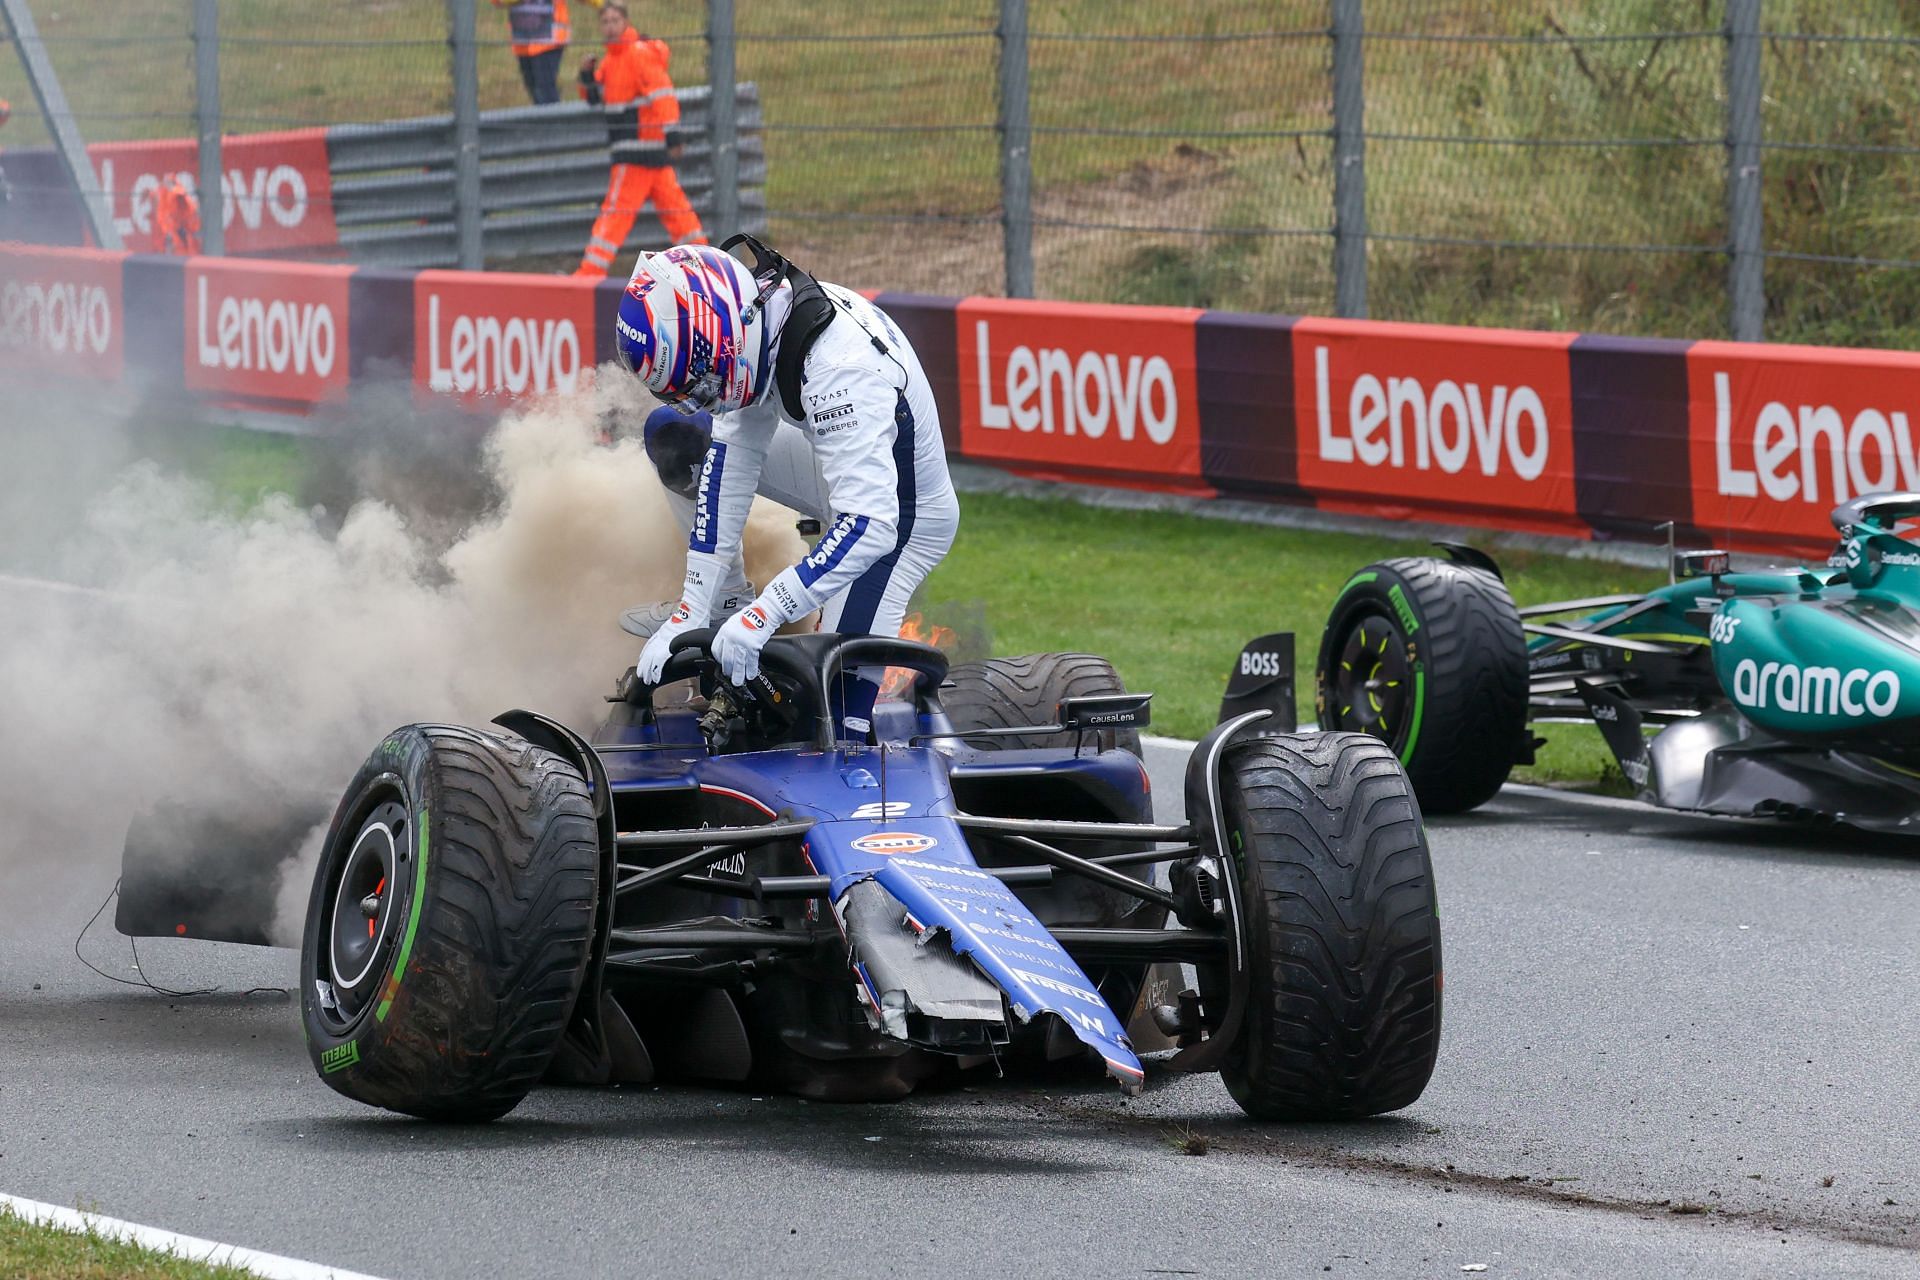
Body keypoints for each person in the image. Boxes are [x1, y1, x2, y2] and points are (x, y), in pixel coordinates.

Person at [623, 237, 960, 739]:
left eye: (705, 384)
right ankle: (728, 602)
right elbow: (728, 461)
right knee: (676, 435)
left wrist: (765, 616)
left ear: (726, 337)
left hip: (900, 519)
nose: (706, 400)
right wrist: (694, 609)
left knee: (833, 724)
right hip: (838, 468)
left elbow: (870, 525)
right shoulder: (756, 321)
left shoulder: (841, 372)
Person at [573, 1, 705, 279]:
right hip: (648, 155)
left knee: (614, 216)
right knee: (679, 214)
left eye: (614, 21)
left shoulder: (637, 54)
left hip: (636, 154)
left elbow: (662, 94)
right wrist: (586, 75)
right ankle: (705, 270)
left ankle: (588, 277)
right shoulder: (611, 62)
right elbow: (594, 97)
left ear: (625, 22)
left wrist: (672, 134)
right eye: (605, 21)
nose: (609, 27)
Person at [490, 0, 585, 106]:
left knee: (545, 91)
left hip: (549, 40)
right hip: (523, 41)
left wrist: (600, 4)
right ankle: (548, 119)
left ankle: (554, 120)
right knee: (535, 90)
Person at [155, 174, 200, 255]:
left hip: (182, 224)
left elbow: (181, 195)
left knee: (184, 242)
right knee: (171, 240)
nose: (166, 184)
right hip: (174, 224)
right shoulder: (164, 192)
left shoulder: (177, 190)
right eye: (165, 182)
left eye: (168, 182)